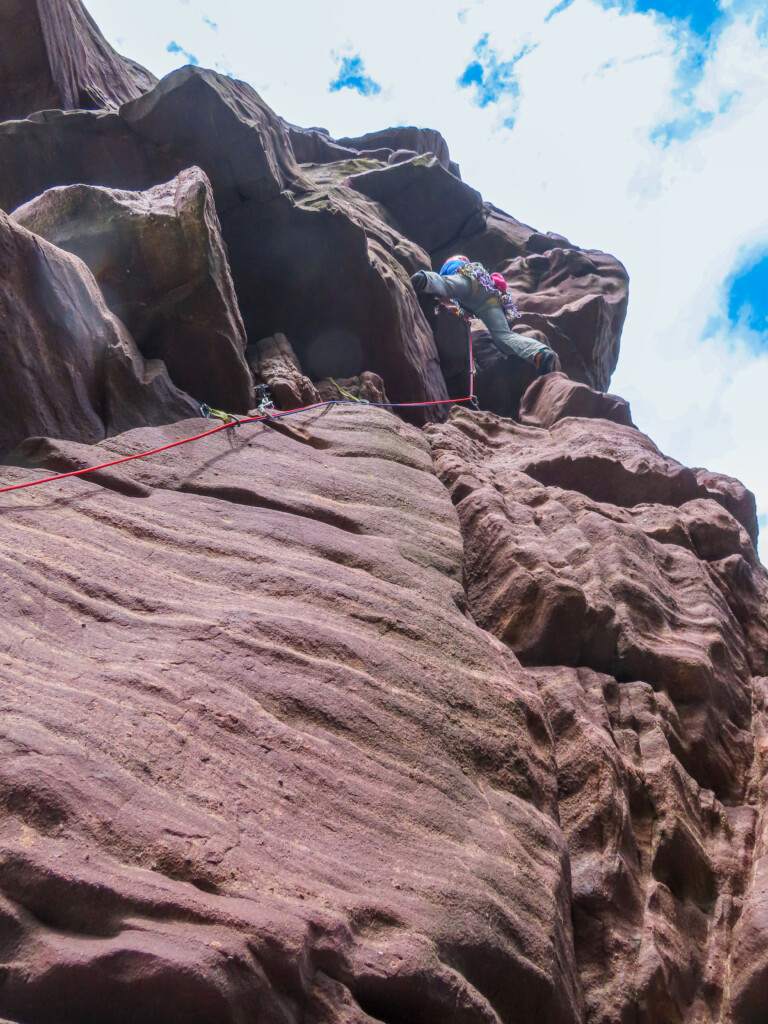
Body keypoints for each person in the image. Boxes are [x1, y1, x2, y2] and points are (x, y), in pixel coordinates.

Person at [411, 256, 561, 376]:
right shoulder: (480, 270)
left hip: (469, 283)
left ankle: (423, 279)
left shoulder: (452, 266)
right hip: (490, 297)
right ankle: (540, 353)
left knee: (444, 285)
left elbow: (446, 288)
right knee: (504, 337)